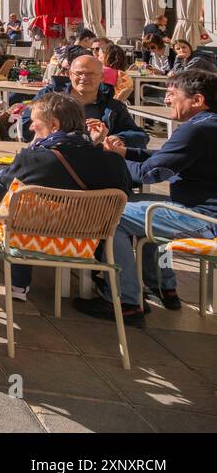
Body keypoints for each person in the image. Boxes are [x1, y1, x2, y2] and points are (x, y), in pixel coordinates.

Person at [78, 70, 217, 323]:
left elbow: (149, 174)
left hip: (201, 218)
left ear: (197, 100)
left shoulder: (195, 131)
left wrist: (112, 156)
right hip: (200, 212)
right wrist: (123, 152)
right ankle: (163, 286)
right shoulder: (207, 125)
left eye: (172, 94)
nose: (166, 100)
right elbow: (160, 159)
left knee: (110, 215)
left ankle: (124, 301)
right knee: (140, 208)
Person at [0, 93, 133, 302]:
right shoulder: (113, 162)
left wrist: (33, 145)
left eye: (34, 122)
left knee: (12, 208)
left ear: (53, 124)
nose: (31, 128)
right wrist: (94, 145)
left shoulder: (33, 158)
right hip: (84, 243)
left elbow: (1, 180)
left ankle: (18, 284)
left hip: (32, 238)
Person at [20, 54, 146, 147]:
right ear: (70, 75)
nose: (83, 78)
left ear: (102, 77)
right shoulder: (49, 97)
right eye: (78, 73)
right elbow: (26, 126)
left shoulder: (112, 106)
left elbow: (140, 136)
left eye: (90, 74)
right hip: (53, 158)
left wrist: (119, 138)